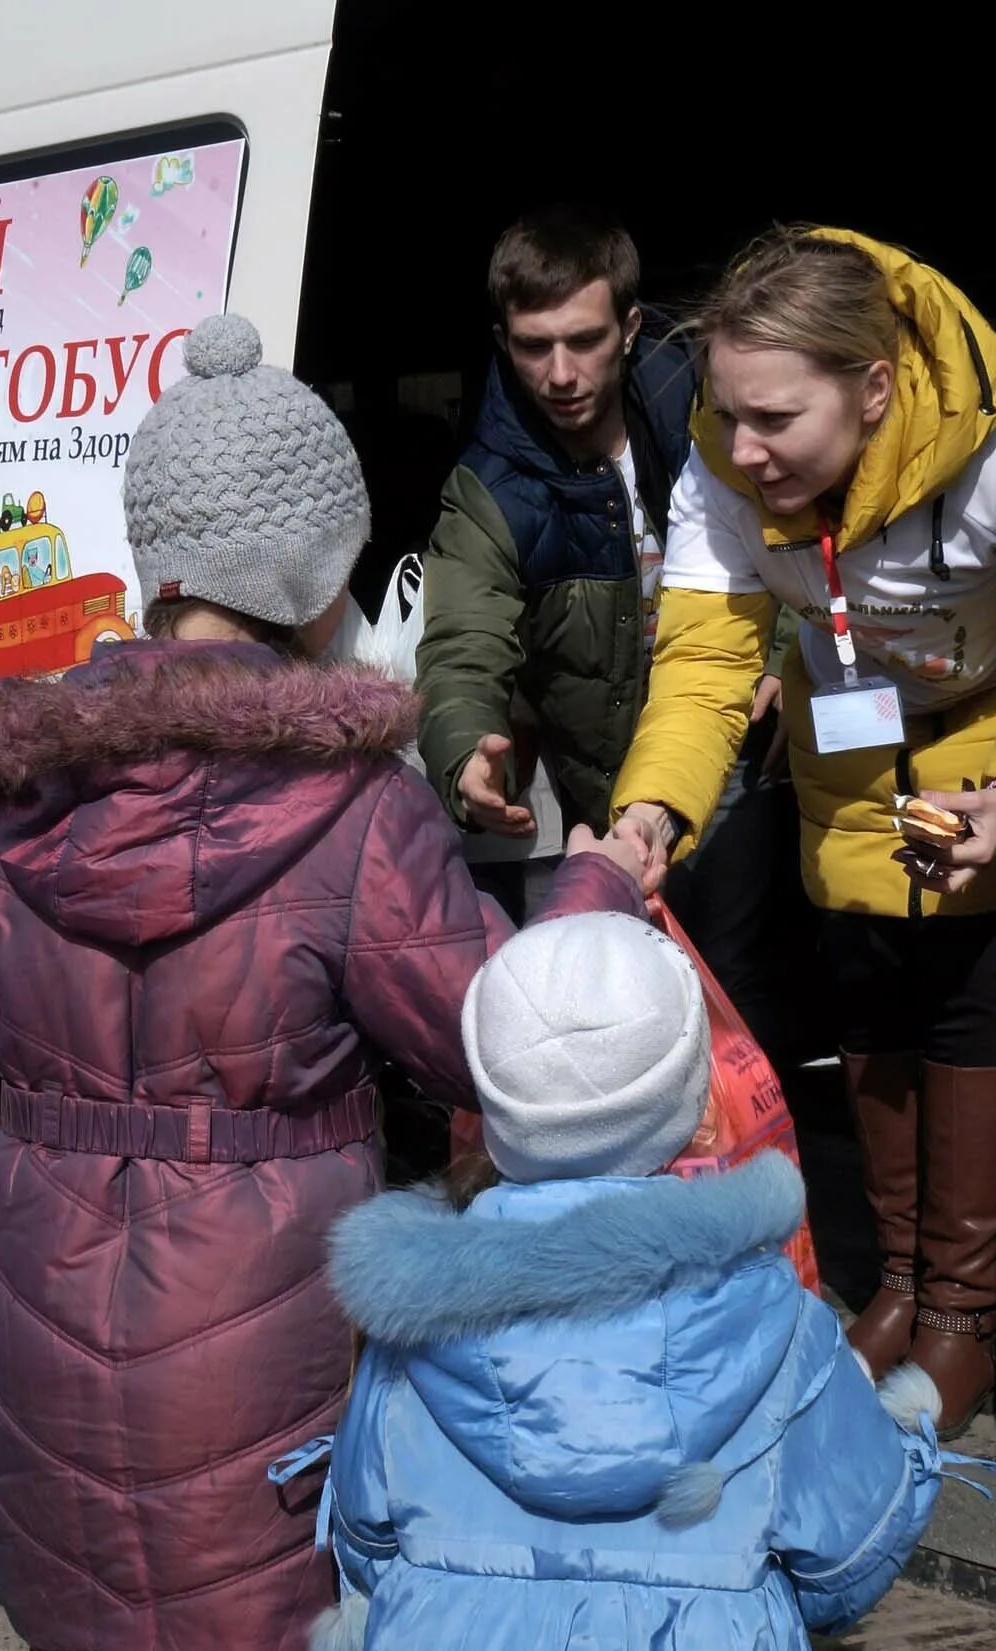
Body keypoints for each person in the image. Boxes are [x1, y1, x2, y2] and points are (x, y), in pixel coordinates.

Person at [0, 313, 646, 1651]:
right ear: (313, 579)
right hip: (274, 1356)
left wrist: (8, 1266)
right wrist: (592, 895)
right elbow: (515, 1048)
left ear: (159, 564)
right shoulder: (353, 806)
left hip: (44, 1329)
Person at [611, 227, 996, 1436]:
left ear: (874, 390)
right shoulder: (726, 468)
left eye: (775, 418)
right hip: (845, 724)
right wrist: (648, 809)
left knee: (969, 999)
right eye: (726, 413)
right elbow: (709, 659)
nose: (741, 448)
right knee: (868, 993)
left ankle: (967, 1319)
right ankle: (901, 1285)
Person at [307, 911, 943, 1651]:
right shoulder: (779, 1329)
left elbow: (366, 1540)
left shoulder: (412, 1327)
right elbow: (849, 1563)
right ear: (686, 1103)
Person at [414, 208, 811, 1069]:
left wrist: (784, 659)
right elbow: (460, 641)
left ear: (629, 328)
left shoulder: (719, 422)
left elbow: (807, 534)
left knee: (734, 978)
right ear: (502, 340)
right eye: (532, 346)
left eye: (584, 340)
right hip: (603, 782)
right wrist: (459, 750)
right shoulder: (489, 487)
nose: (560, 373)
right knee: (630, 1000)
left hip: (735, 751)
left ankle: (756, 1172)